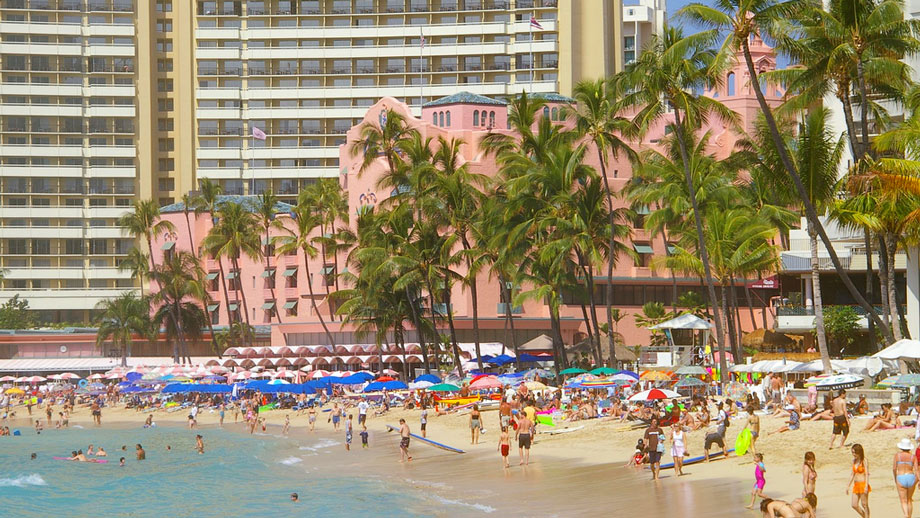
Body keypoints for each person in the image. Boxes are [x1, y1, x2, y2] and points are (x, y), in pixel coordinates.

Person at [893, 438, 917, 518]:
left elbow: (894, 468)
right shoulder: (913, 457)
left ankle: (906, 514)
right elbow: (916, 470)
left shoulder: (897, 456)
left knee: (903, 500)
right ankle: (909, 516)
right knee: (909, 500)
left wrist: (895, 477)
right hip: (911, 476)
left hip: (901, 476)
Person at [846, 443, 870, 518]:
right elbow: (852, 474)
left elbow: (866, 474)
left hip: (863, 484)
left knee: (864, 504)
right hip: (856, 485)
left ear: (859, 452)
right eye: (852, 452)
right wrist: (848, 485)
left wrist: (866, 485)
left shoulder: (864, 461)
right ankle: (865, 516)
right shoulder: (854, 461)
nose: (853, 454)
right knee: (854, 504)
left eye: (854, 452)